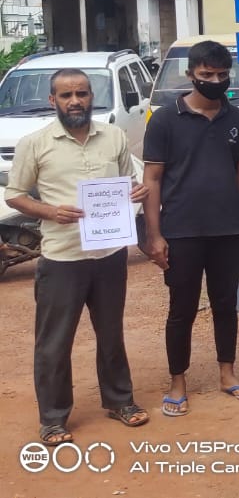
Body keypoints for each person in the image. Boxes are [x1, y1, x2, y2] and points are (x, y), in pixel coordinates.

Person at [6, 69, 150, 445]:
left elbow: (127, 182)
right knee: (54, 342)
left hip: (109, 253)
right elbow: (14, 195)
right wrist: (51, 211)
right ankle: (53, 419)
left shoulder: (114, 136)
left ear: (91, 97)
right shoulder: (35, 143)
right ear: (52, 100)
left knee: (111, 333)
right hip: (62, 257)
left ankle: (120, 401)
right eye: (66, 95)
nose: (75, 101)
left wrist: (135, 192)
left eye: (82, 94)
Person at [143, 40, 239, 417]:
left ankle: (227, 374)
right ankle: (177, 382)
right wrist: (154, 235)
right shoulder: (165, 119)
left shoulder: (236, 118)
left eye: (221, 74)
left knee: (226, 304)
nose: (215, 81)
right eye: (206, 74)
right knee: (182, 309)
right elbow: (152, 179)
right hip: (181, 231)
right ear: (190, 75)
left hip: (227, 230)